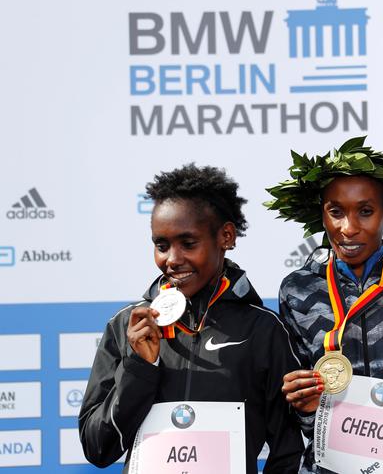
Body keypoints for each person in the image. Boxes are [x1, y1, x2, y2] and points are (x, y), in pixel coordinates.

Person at [79, 163, 304, 473]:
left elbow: (288, 450)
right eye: (161, 245)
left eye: (188, 243)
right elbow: (98, 449)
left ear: (226, 236)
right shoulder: (128, 326)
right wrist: (139, 367)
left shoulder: (263, 329)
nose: (172, 259)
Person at [265, 136, 383, 473]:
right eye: (335, 212)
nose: (348, 229)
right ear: (321, 214)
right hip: (330, 466)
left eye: (365, 212)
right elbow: (298, 409)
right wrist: (308, 410)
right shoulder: (297, 290)